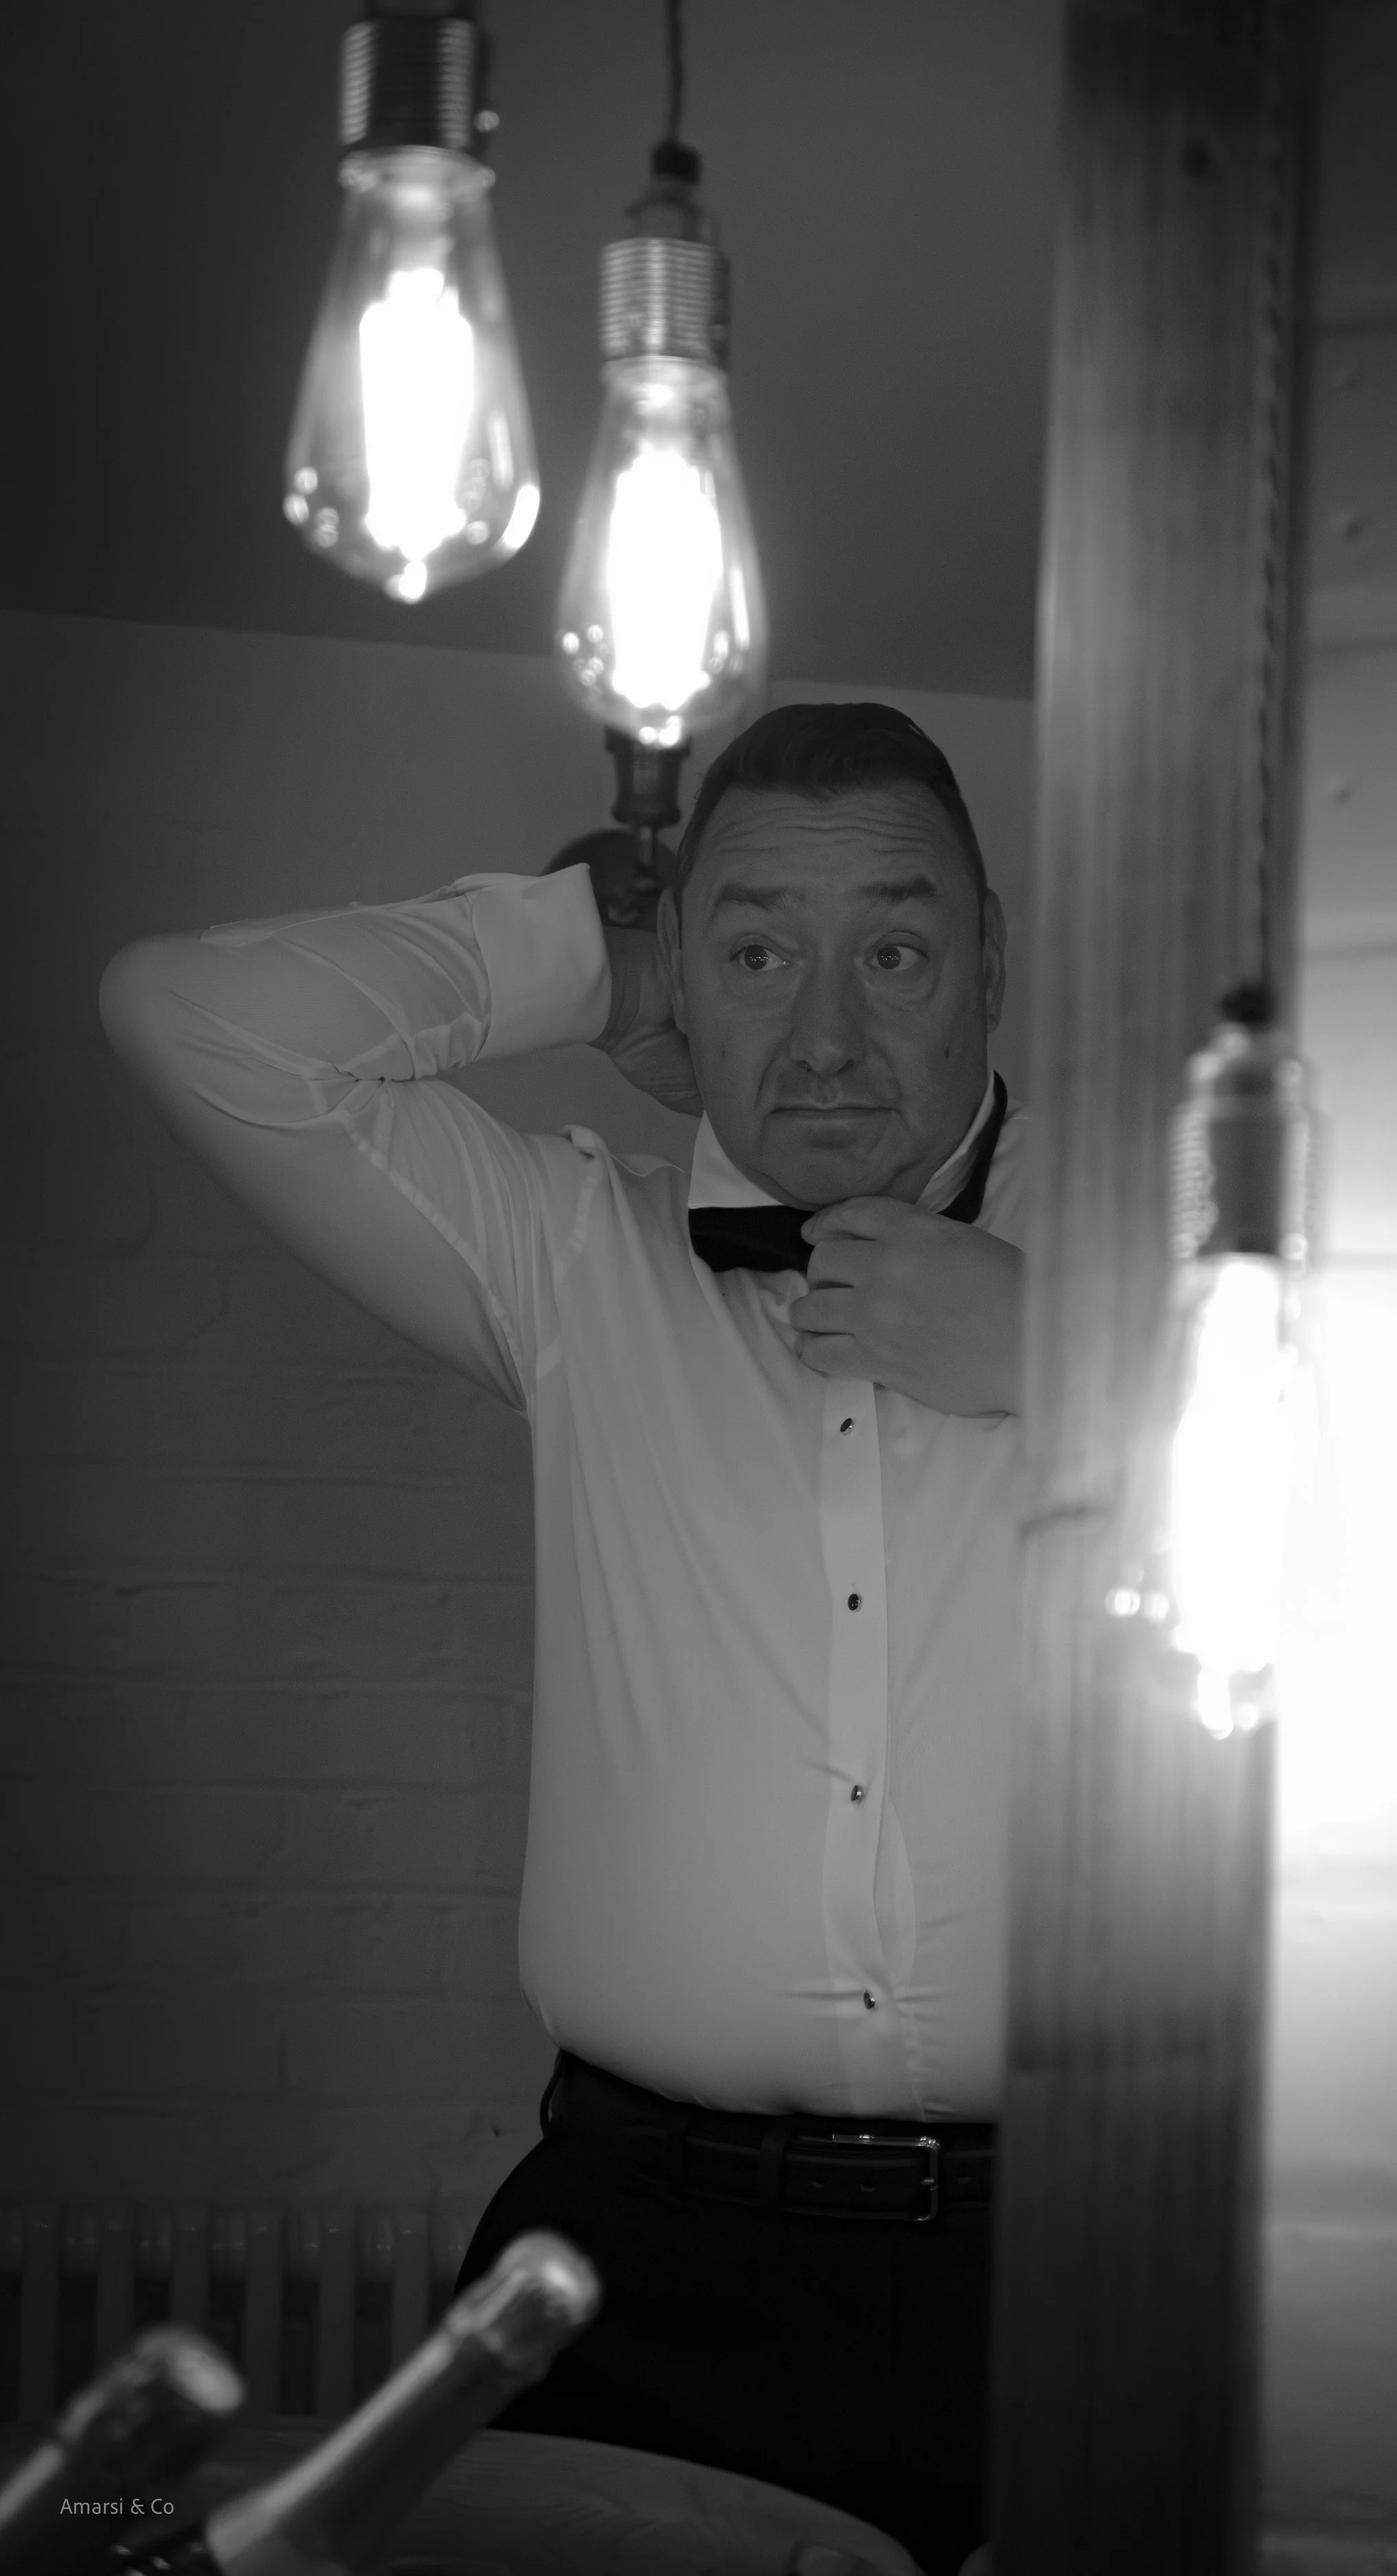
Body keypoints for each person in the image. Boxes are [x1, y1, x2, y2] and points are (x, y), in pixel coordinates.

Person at [100, 701, 1023, 2576]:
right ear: (685, 968)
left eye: (896, 951)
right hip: (627, 2262)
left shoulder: (1199, 1302)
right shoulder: (565, 1259)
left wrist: (1091, 1361)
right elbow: (185, 1014)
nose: (827, 1033)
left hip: (1068, 2262)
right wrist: (576, 950)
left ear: (987, 968)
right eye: (756, 950)